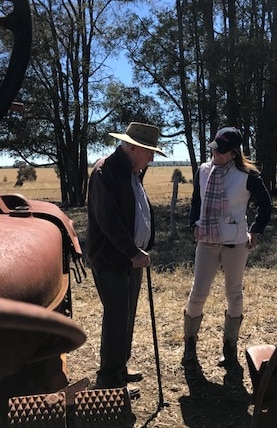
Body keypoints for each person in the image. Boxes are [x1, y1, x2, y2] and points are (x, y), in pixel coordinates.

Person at [86, 122, 166, 396]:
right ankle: (108, 381)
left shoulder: (132, 170)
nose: (152, 158)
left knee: (127, 317)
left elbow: (136, 211)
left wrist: (139, 250)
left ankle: (119, 367)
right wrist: (132, 252)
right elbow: (108, 220)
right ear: (133, 147)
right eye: (149, 152)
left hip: (132, 260)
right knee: (117, 318)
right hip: (113, 260)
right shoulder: (105, 171)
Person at [183, 126, 272, 368]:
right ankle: (189, 344)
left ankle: (229, 347)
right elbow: (196, 201)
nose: (216, 155)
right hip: (206, 240)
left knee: (234, 293)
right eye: (214, 150)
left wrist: (255, 230)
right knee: (198, 291)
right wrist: (193, 223)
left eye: (222, 152)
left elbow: (265, 205)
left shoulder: (247, 175)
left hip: (235, 242)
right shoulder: (203, 170)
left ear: (233, 153)